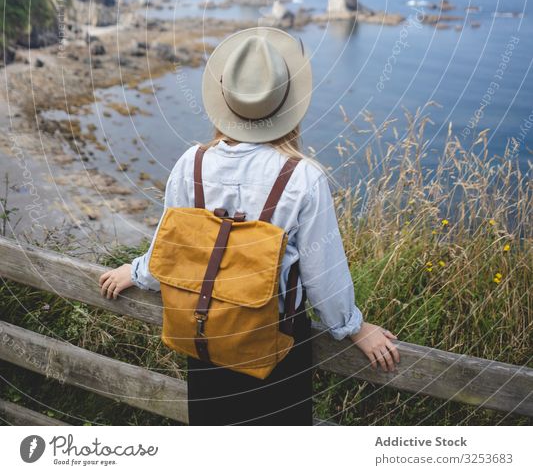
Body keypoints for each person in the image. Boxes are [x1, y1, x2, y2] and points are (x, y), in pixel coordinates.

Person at [99, 26, 400, 425]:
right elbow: (322, 271)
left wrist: (137, 272)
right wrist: (353, 328)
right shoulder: (302, 178)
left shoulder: (192, 163)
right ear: (287, 103)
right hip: (275, 346)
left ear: (225, 98)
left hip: (205, 338)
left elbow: (171, 247)